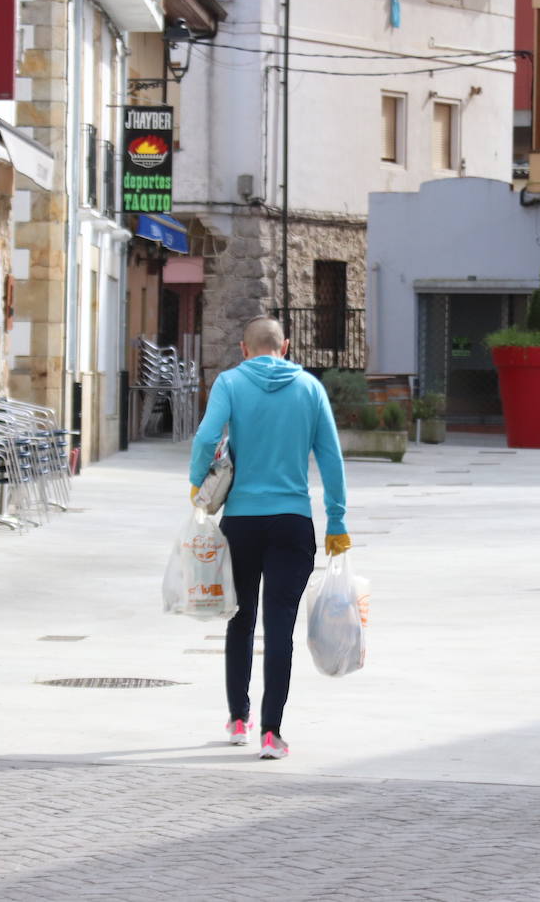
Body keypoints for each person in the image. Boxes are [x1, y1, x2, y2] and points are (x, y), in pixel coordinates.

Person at [189, 316, 350, 760]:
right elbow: (332, 460)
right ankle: (272, 733)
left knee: (239, 619)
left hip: (241, 521)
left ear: (244, 348)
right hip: (292, 522)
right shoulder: (310, 388)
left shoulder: (230, 382)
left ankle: (238, 718)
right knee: (279, 627)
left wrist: (196, 482)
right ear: (287, 347)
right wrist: (337, 522)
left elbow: (206, 437)